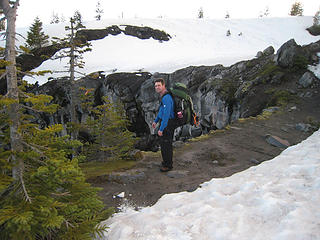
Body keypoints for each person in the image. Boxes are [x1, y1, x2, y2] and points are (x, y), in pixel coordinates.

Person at [152, 78, 176, 172]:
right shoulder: (163, 96)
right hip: (165, 122)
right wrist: (156, 120)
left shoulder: (166, 98)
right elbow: (161, 111)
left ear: (163, 85)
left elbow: (166, 115)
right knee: (164, 144)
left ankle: (168, 165)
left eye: (159, 85)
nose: (157, 87)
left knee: (166, 144)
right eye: (155, 86)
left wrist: (161, 128)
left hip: (168, 123)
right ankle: (166, 162)